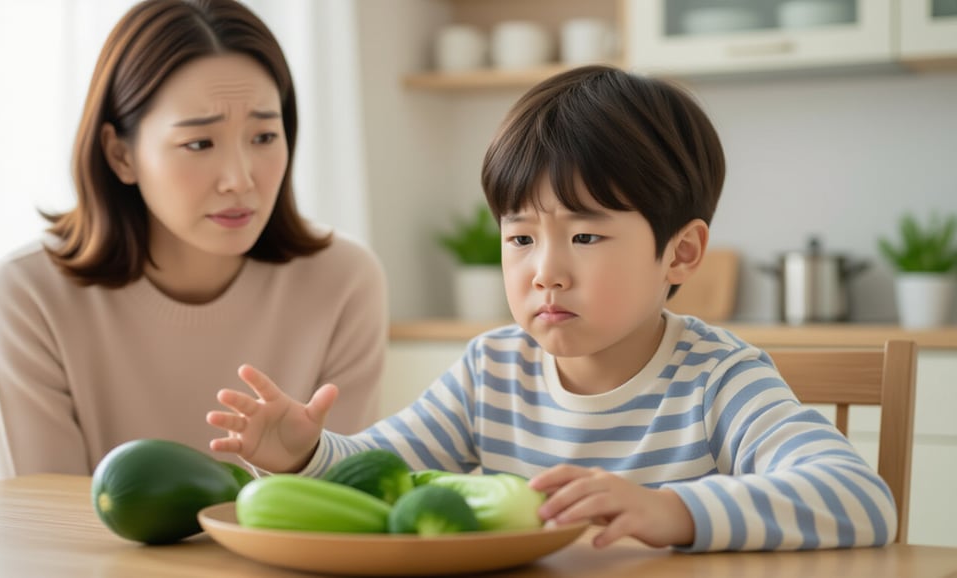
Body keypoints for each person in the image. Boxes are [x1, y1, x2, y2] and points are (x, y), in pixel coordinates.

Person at [205, 65, 895, 551]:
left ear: (680, 254)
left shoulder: (718, 379)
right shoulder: (491, 371)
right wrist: (304, 455)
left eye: (585, 236)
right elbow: (375, 474)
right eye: (521, 238)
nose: (546, 273)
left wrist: (671, 510)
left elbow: (859, 498)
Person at [0, 0, 387, 479]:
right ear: (121, 155)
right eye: (199, 143)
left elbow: (342, 499)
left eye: (263, 137)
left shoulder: (343, 281)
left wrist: (302, 464)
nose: (239, 179)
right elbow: (40, 511)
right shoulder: (31, 294)